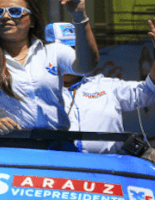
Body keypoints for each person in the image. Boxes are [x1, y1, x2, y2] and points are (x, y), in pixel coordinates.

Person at [0, 0, 99, 149]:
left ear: (33, 21)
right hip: (5, 149)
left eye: (15, 12)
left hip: (56, 147)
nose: (5, 17)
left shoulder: (53, 51)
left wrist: (80, 18)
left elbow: (86, 67)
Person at [46, 21, 155, 154]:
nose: (71, 57)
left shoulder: (107, 86)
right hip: (56, 169)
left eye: (76, 50)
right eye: (63, 52)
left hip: (107, 169)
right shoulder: (34, 90)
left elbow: (148, 91)